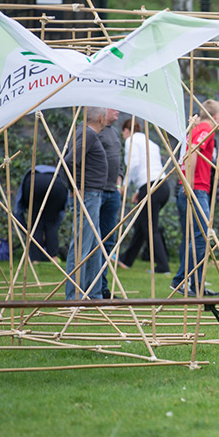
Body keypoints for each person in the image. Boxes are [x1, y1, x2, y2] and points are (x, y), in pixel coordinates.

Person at [172, 100, 219, 297]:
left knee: (193, 239)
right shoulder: (205, 129)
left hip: (189, 188)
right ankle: (181, 280)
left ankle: (196, 285)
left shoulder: (192, 129)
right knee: (202, 238)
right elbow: (193, 150)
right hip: (196, 189)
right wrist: (190, 185)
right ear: (216, 117)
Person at [62, 106, 108, 300]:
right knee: (82, 245)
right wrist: (75, 187)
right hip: (87, 195)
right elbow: (70, 160)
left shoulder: (85, 133)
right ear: (101, 118)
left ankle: (93, 293)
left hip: (92, 194)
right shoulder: (87, 134)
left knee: (94, 246)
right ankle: (73, 295)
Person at [119, 119, 170, 273]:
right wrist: (138, 191)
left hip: (150, 187)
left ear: (127, 130)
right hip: (161, 186)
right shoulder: (151, 143)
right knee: (142, 224)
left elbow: (133, 164)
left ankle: (163, 266)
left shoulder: (131, 140)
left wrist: (124, 185)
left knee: (149, 227)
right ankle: (126, 260)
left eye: (123, 133)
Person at [14, 165, 67, 263]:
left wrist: (27, 232)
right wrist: (53, 229)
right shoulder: (59, 176)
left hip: (34, 182)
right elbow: (60, 214)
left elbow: (17, 212)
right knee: (51, 222)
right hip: (58, 183)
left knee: (35, 223)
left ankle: (35, 259)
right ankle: (53, 258)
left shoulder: (27, 179)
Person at [97, 109, 124, 299]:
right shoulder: (92, 130)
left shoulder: (114, 132)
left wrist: (120, 180)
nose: (118, 110)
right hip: (96, 191)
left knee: (108, 242)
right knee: (92, 241)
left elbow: (118, 160)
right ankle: (90, 287)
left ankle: (102, 287)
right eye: (114, 107)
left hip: (112, 192)